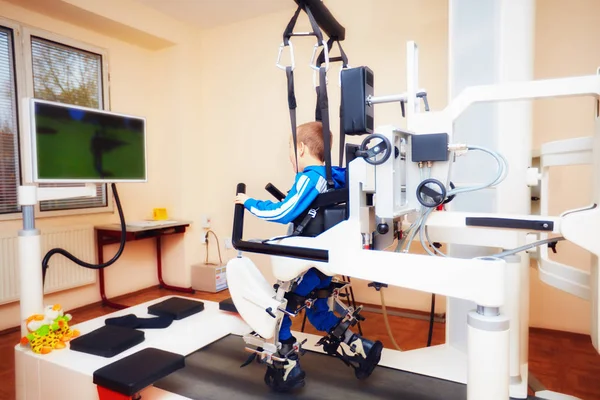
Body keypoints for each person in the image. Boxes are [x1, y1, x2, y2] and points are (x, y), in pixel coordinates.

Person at [235, 121, 383, 392]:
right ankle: (361, 348)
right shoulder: (334, 177)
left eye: (290, 149)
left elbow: (283, 212)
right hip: (324, 263)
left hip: (307, 260)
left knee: (279, 313)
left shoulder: (309, 177)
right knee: (317, 311)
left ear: (301, 148)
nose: (289, 155)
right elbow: (310, 210)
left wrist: (249, 203)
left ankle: (287, 371)